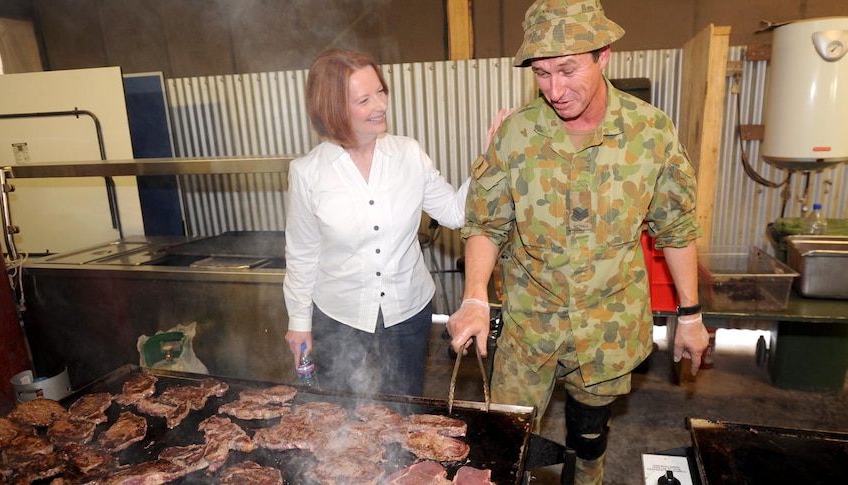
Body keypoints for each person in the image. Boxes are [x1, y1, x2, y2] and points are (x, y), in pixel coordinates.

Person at [445, 1, 711, 483]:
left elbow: (676, 227)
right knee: (504, 442)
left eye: (568, 70)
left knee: (589, 446)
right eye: (542, 73)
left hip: (607, 328)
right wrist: (474, 297)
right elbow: (485, 223)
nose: (554, 89)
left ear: (603, 56)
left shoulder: (650, 132)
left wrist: (690, 316)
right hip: (529, 328)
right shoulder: (517, 134)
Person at [283, 48, 484, 397]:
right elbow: (302, 253)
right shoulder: (307, 172)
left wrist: (486, 162)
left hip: (407, 312)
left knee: (404, 408)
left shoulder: (408, 154)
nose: (380, 105)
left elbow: (455, 212)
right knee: (339, 415)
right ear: (334, 109)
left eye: (381, 92)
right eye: (364, 99)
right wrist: (299, 323)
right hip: (338, 315)